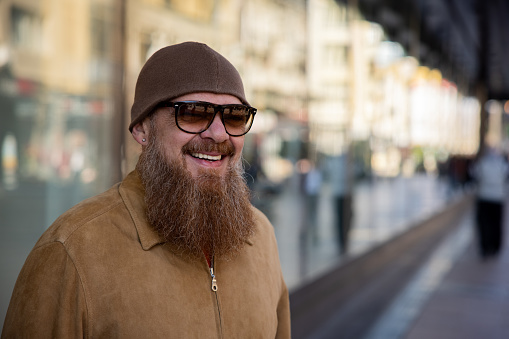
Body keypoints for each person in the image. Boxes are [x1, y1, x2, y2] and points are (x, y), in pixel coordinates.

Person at [2, 42, 291, 338]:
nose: (218, 133)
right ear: (142, 129)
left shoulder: (262, 237)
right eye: (192, 113)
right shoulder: (72, 251)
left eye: (234, 116)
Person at [471, 147, 508, 259]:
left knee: (484, 224)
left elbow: (474, 174)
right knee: (496, 224)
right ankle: (495, 247)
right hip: (497, 198)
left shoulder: (482, 163)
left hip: (484, 197)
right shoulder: (502, 164)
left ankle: (485, 247)